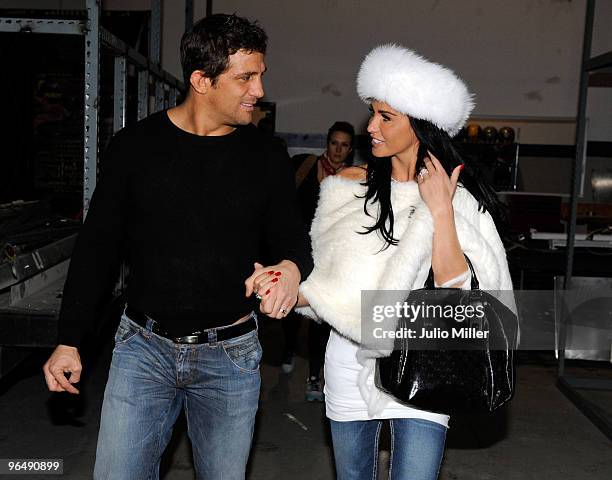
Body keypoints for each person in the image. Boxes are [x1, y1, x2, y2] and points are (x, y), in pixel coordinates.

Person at [42, 14, 312, 480]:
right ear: (201, 80)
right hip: (142, 351)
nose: (259, 90)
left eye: (260, 75)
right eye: (245, 77)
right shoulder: (135, 148)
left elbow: (293, 240)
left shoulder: (266, 157)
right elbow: (97, 249)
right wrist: (69, 339)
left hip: (231, 356)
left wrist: (289, 268)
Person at [295, 45, 512, 479]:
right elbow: (325, 277)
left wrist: (441, 212)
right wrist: (287, 284)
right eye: (372, 113)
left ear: (422, 126)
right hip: (349, 360)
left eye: (386, 117)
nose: (370, 127)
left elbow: (463, 295)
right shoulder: (349, 187)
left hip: (428, 365)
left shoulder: (457, 198)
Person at [280, 121, 355, 402]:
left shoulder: (354, 177)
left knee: (321, 315)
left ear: (350, 148)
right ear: (327, 142)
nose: (338, 149)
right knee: (290, 307)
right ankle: (288, 348)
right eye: (334, 142)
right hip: (298, 251)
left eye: (344, 144)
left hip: (329, 255)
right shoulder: (305, 165)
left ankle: (314, 376)